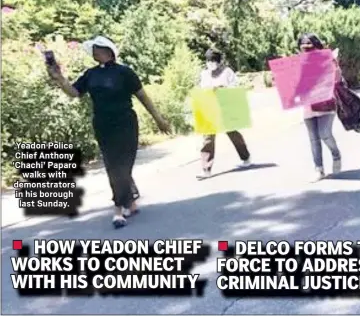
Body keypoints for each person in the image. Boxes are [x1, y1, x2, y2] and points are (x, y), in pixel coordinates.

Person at [46, 36, 171, 229]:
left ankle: (122, 205)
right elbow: (74, 93)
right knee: (113, 166)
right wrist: (59, 78)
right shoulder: (90, 74)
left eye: (98, 47)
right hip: (103, 125)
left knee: (124, 165)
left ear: (108, 51)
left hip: (126, 123)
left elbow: (143, 97)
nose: (94, 51)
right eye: (93, 48)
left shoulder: (125, 72)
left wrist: (159, 119)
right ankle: (124, 205)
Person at [197, 49, 251, 179]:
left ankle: (245, 157)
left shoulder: (227, 72)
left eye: (213, 60)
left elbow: (234, 88)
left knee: (233, 133)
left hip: (225, 107)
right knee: (208, 138)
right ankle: (206, 169)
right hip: (210, 108)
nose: (211, 63)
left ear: (219, 61)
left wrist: (222, 88)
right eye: (209, 60)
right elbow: (202, 89)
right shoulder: (204, 74)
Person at [298, 33, 342, 181]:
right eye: (302, 44)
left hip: (326, 103)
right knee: (313, 139)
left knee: (325, 133)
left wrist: (333, 65)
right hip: (308, 105)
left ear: (316, 44)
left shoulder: (327, 59)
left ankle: (336, 155)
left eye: (309, 43)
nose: (306, 46)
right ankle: (319, 169)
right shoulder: (299, 62)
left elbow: (337, 78)